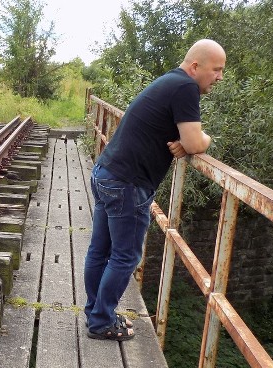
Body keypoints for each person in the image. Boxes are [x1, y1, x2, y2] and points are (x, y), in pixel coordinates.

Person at [84, 39, 226, 341]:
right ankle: (100, 322)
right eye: (217, 70)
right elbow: (194, 142)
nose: (220, 77)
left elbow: (178, 135)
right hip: (128, 183)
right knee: (124, 256)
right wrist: (204, 139)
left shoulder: (169, 81)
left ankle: (97, 313)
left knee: (100, 251)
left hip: (106, 172)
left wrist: (183, 139)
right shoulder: (186, 88)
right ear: (195, 66)